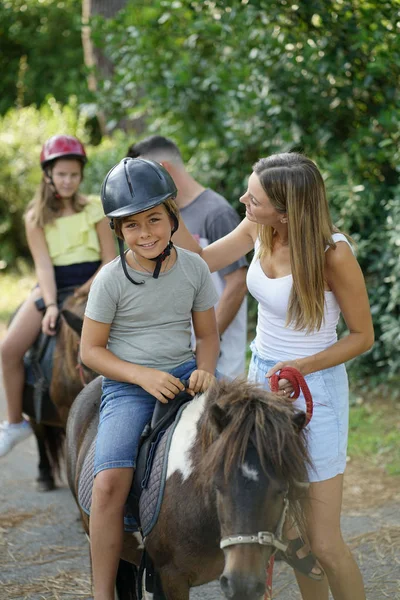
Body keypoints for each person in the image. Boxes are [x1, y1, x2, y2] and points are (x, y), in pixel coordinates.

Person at [173, 152, 374, 600]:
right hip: (261, 382)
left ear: (287, 210)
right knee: (292, 539)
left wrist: (301, 367)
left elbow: (363, 336)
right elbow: (201, 259)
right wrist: (170, 208)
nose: (244, 199)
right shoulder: (259, 228)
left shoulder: (333, 255)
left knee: (323, 542)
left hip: (312, 390)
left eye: (255, 197)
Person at [80, 157, 220, 599]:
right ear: (118, 231)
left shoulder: (195, 269)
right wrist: (141, 376)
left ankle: (261, 560)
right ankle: (103, 592)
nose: (146, 234)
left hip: (185, 375)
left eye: (154, 220)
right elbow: (91, 351)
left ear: (172, 215)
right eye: (132, 226)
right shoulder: (110, 281)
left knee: (246, 447)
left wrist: (206, 370)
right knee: (109, 483)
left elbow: (208, 335)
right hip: (128, 385)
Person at [0, 134, 116, 457]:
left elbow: (110, 259)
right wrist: (51, 305)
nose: (68, 181)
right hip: (54, 287)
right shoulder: (35, 217)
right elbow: (44, 268)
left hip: (94, 282)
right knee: (8, 349)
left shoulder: (94, 209)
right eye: (61, 174)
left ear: (81, 175)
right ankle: (15, 422)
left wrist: (85, 289)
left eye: (74, 174)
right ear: (48, 174)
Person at [126, 135, 248, 379]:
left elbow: (237, 283)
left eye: (142, 177)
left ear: (163, 170)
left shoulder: (216, 212)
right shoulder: (159, 217)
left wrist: (204, 343)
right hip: (176, 357)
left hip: (217, 360)